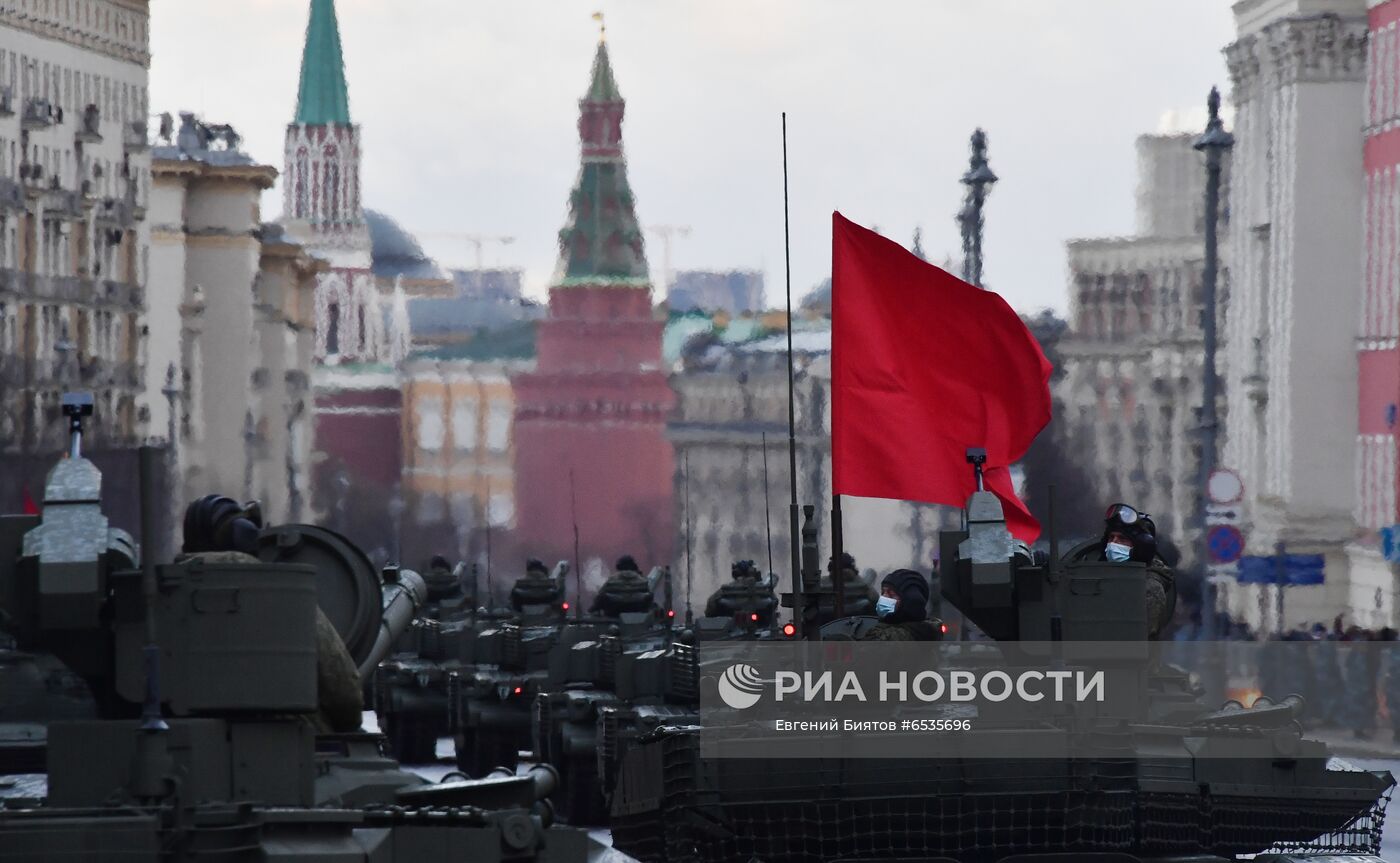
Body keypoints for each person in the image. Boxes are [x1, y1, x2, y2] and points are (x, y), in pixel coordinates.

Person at [1073, 503, 1175, 639]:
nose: (1113, 544)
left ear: (1141, 547)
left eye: (1122, 539)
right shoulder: (1103, 575)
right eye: (1111, 538)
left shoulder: (1150, 587)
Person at [861, 569, 939, 641]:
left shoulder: (904, 636)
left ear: (909, 602)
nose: (884, 597)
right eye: (883, 592)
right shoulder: (924, 629)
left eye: (891, 594)